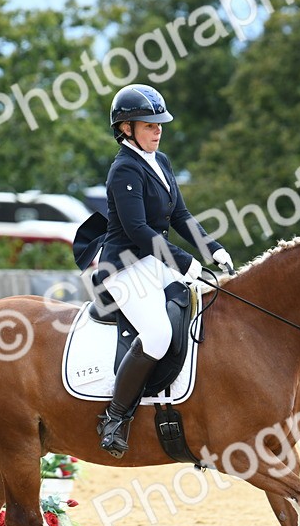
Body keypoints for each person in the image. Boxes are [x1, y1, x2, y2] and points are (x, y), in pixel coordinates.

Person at [86, 84, 234, 458]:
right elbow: (138, 230)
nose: (158, 130)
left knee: (207, 311)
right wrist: (184, 262)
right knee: (156, 334)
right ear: (126, 129)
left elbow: (180, 215)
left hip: (152, 259)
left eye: (159, 124)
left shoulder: (161, 161)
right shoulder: (123, 170)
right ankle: (115, 417)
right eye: (149, 125)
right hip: (124, 265)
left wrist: (211, 249)